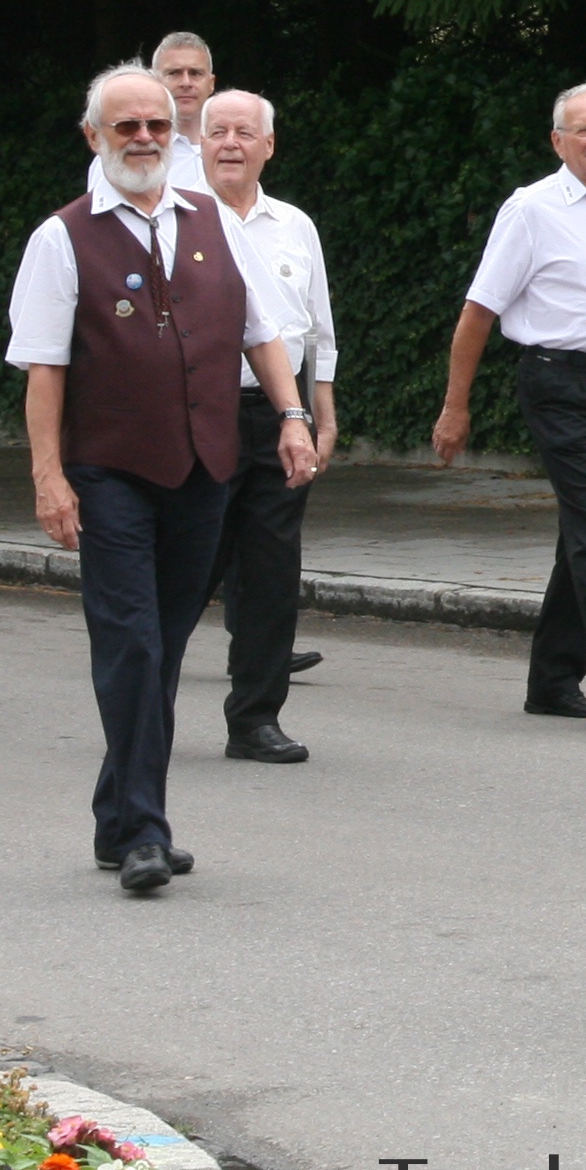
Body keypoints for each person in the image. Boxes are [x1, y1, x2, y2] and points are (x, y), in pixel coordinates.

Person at [11, 63, 312, 893]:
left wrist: (291, 416)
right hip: (109, 470)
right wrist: (48, 476)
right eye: (126, 127)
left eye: (156, 126)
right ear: (94, 137)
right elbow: (44, 368)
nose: (144, 139)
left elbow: (261, 331)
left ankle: (118, 814)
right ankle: (144, 830)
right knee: (132, 644)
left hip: (204, 467)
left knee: (165, 644)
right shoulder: (63, 237)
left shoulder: (212, 220)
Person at [436, 83, 586, 724]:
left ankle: (552, 679)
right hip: (559, 382)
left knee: (585, 534)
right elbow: (479, 311)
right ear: (558, 142)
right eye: (583, 129)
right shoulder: (531, 209)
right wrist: (455, 405)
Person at [192, 90, 336, 762]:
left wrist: (317, 412)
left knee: (273, 573)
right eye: (217, 131)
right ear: (199, 143)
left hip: (280, 416)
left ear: (268, 146)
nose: (230, 143)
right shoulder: (177, 221)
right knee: (188, 565)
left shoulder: (294, 226)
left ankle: (255, 720)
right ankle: (141, 705)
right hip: (198, 412)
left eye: (244, 133)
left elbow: (317, 329)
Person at [150, 32, 216, 191]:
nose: (186, 83)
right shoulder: (133, 153)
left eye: (195, 73)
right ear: (154, 82)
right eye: (174, 73)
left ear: (211, 83)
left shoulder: (233, 148)